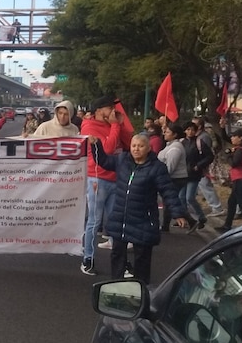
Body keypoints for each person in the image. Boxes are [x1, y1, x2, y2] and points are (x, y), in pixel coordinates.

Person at [87, 134, 186, 284]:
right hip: (121, 218)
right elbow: (104, 161)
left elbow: (168, 191)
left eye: (140, 146)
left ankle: (141, 290)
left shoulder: (157, 168)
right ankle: (115, 287)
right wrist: (96, 145)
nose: (136, 149)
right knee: (117, 255)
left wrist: (177, 213)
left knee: (142, 259)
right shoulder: (122, 160)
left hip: (143, 220)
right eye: (133, 145)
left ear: (148, 148)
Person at [79, 95, 126, 275]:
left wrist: (118, 124)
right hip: (97, 179)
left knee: (115, 221)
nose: (113, 112)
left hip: (115, 177)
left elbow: (124, 142)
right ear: (99, 110)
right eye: (109, 108)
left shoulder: (111, 124)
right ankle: (88, 259)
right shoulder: (89, 126)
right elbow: (106, 149)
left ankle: (120, 263)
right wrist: (115, 125)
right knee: (94, 221)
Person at [181, 122, 213, 231]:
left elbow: (209, 156)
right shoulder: (182, 142)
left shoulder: (199, 142)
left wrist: (198, 165)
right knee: (181, 197)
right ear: (185, 130)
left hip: (194, 174)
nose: (190, 132)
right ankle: (186, 219)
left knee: (189, 197)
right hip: (183, 174)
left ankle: (201, 217)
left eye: (192, 130)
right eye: (188, 129)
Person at [157, 124, 190, 231]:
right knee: (169, 200)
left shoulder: (175, 148)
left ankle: (190, 220)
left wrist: (162, 177)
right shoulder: (170, 145)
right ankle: (166, 225)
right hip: (173, 178)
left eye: (167, 132)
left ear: (175, 134)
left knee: (170, 200)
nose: (165, 134)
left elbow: (170, 167)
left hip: (176, 178)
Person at [217, 129, 242, 232]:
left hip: (240, 179)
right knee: (232, 202)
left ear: (240, 138)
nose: (231, 138)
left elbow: (234, 163)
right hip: (237, 179)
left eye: (234, 136)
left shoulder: (241, 150)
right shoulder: (239, 149)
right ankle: (227, 225)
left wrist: (228, 155)